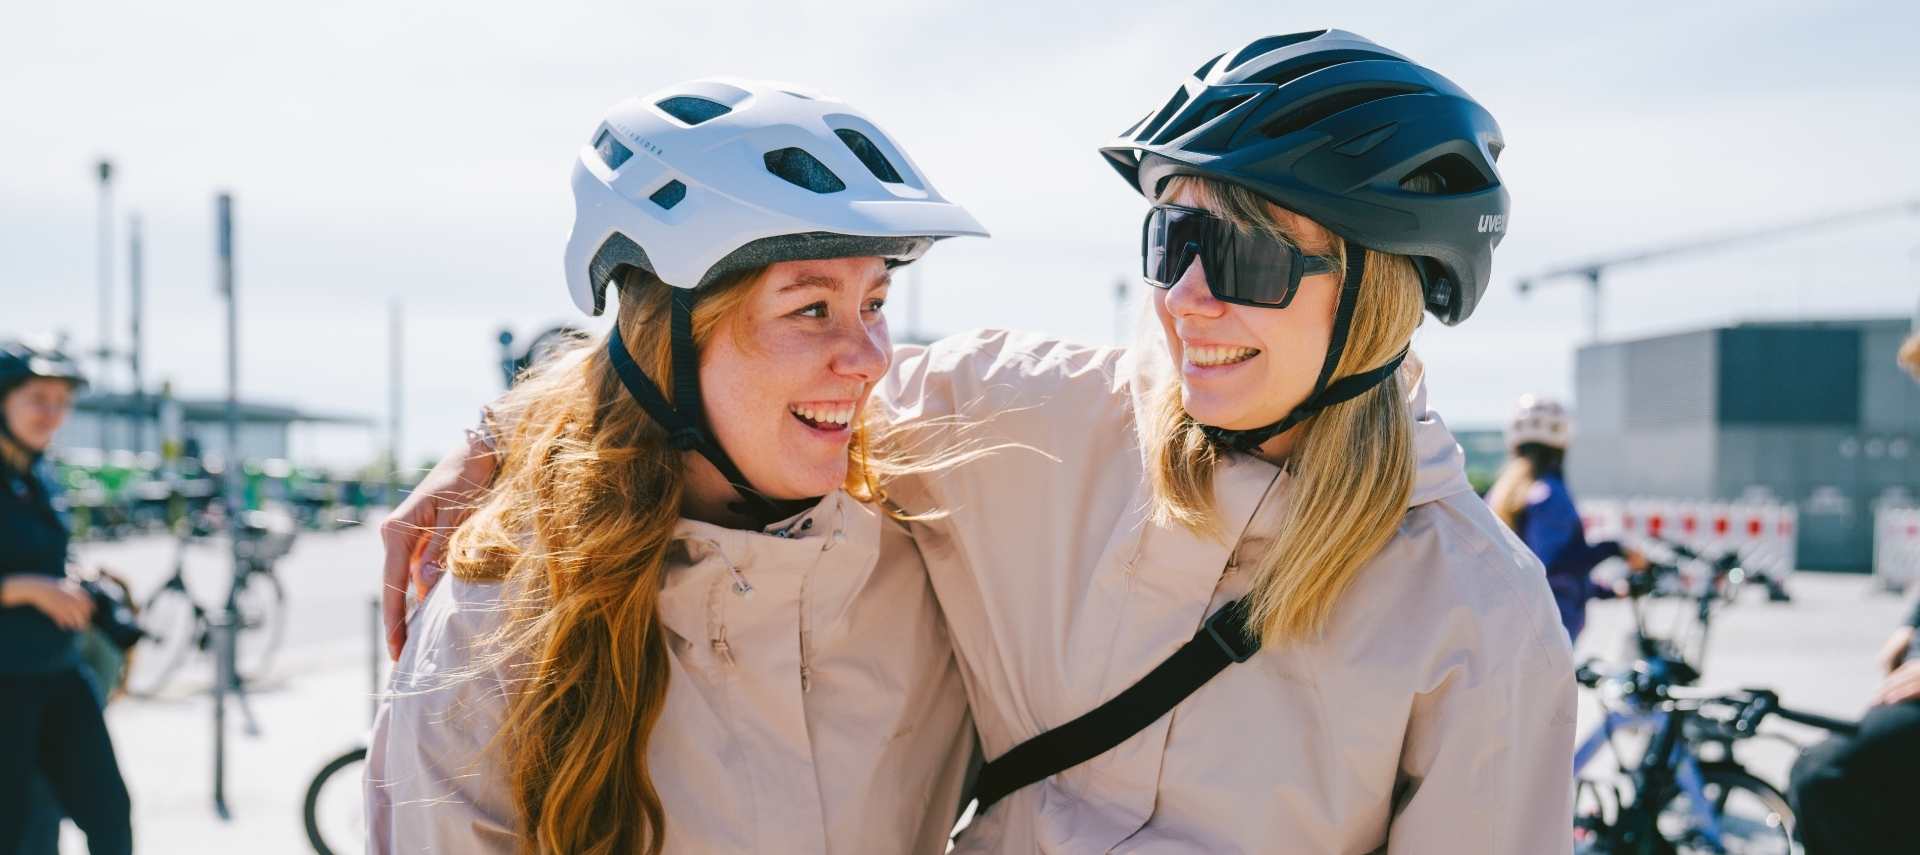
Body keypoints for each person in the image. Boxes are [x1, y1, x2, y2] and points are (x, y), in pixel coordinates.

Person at [385, 32, 1573, 853]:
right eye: (1172, 242)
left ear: (1375, 299)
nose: (1190, 301)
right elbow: (712, 362)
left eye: (1251, 260)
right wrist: (500, 435)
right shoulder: (1021, 421)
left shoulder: (1476, 615)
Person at [364, 78, 989, 854]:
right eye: (810, 308)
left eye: (875, 303)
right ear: (673, 345)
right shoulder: (495, 624)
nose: (869, 360)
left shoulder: (924, 554)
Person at [0, 340, 134, 855]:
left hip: (56, 672)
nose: (52, 413)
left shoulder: (38, 475)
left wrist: (70, 575)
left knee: (109, 815)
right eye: (38, 398)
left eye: (61, 401)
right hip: (4, 684)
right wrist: (24, 588)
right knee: (16, 831)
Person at [1485, 394, 1647, 642]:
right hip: (1548, 629)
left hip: (1512, 627)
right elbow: (1551, 566)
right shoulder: (1549, 495)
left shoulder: (1500, 495)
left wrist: (1605, 592)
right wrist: (1615, 549)